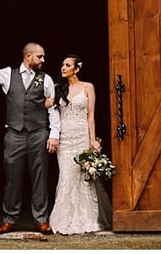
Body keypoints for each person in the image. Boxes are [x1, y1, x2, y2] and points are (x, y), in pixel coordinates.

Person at [0, 41, 61, 235]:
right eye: (40, 56)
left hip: (38, 133)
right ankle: (9, 219)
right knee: (11, 178)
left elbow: (52, 108)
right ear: (28, 56)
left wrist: (54, 134)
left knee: (39, 177)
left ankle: (41, 220)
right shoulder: (9, 74)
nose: (43, 60)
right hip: (14, 134)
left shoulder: (46, 79)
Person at [47, 54, 111, 234]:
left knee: (84, 177)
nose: (63, 68)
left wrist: (93, 140)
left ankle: (86, 219)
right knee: (66, 175)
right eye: (62, 65)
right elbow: (49, 107)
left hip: (82, 135)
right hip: (65, 136)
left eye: (67, 65)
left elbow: (91, 116)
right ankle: (64, 220)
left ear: (77, 69)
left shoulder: (88, 87)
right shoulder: (57, 87)